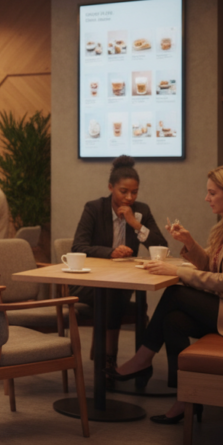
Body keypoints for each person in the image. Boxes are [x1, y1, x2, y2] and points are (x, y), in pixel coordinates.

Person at [111, 164, 223, 423]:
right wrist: (189, 243)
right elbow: (212, 266)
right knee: (172, 321)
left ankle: (143, 357)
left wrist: (179, 272)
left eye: (212, 193)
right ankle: (185, 398)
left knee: (174, 293)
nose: (206, 198)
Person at [70, 155, 167, 374]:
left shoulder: (141, 210)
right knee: (113, 294)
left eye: (134, 192)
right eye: (124, 191)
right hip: (88, 282)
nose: (129, 197)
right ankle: (109, 361)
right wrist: (110, 252)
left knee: (120, 295)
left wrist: (135, 223)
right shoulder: (95, 208)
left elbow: (161, 245)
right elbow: (78, 246)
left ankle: (110, 360)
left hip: (121, 282)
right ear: (111, 187)